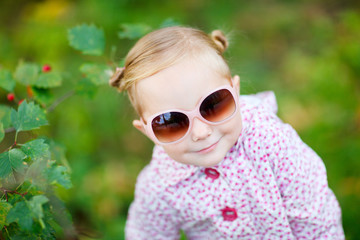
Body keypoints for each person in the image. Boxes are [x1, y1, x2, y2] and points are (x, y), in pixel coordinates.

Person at [109, 26, 344, 239]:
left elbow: (316, 221)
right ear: (147, 131)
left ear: (236, 91)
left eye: (213, 105)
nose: (201, 132)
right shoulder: (160, 183)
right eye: (171, 122)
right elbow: (147, 234)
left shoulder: (273, 144)